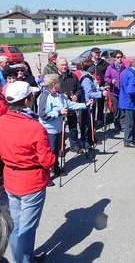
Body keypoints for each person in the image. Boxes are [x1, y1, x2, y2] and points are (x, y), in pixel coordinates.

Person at [0, 81, 56, 263]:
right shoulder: (35, 128)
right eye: (31, 96)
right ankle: (24, 260)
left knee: (16, 226)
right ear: (26, 101)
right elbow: (47, 160)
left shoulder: (1, 121)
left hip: (11, 178)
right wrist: (54, 157)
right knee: (27, 227)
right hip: (31, 181)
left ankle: (24, 257)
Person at [38, 74, 92, 186]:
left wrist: (85, 105)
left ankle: (55, 168)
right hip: (49, 130)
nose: (60, 84)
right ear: (54, 84)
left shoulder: (60, 95)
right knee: (49, 152)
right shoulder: (44, 96)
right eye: (58, 82)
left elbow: (70, 105)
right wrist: (58, 113)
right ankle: (45, 176)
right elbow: (43, 115)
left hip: (59, 128)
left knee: (56, 150)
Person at [78, 60, 108, 149]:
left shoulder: (90, 77)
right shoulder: (86, 79)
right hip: (87, 104)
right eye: (92, 66)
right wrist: (101, 94)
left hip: (92, 103)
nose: (94, 68)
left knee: (91, 122)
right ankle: (85, 142)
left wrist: (102, 88)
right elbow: (89, 93)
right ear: (89, 68)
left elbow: (95, 88)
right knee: (86, 124)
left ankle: (91, 138)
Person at [57, 57, 84, 154]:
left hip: (72, 106)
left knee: (73, 127)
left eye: (65, 65)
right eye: (62, 65)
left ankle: (74, 145)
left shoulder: (73, 76)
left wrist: (76, 95)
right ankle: (60, 147)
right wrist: (61, 95)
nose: (64, 67)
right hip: (60, 107)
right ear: (57, 66)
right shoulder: (55, 77)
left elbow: (79, 88)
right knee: (61, 128)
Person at [118, 59, 135, 148]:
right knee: (130, 122)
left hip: (127, 100)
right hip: (129, 102)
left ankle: (132, 137)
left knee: (132, 121)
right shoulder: (131, 74)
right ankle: (128, 140)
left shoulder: (125, 72)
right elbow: (131, 90)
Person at [104, 50, 126, 133]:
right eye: (118, 57)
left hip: (122, 92)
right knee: (116, 109)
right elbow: (106, 78)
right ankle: (117, 126)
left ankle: (123, 126)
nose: (120, 59)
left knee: (122, 109)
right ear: (114, 58)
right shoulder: (110, 67)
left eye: (121, 57)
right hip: (114, 92)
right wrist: (111, 81)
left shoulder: (124, 67)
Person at [88, 47, 109, 126]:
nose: (98, 54)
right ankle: (91, 120)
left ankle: (100, 119)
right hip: (91, 88)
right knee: (92, 104)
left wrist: (106, 83)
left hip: (101, 86)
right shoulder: (88, 63)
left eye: (99, 53)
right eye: (96, 53)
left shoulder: (104, 63)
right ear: (92, 53)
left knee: (100, 104)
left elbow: (107, 74)